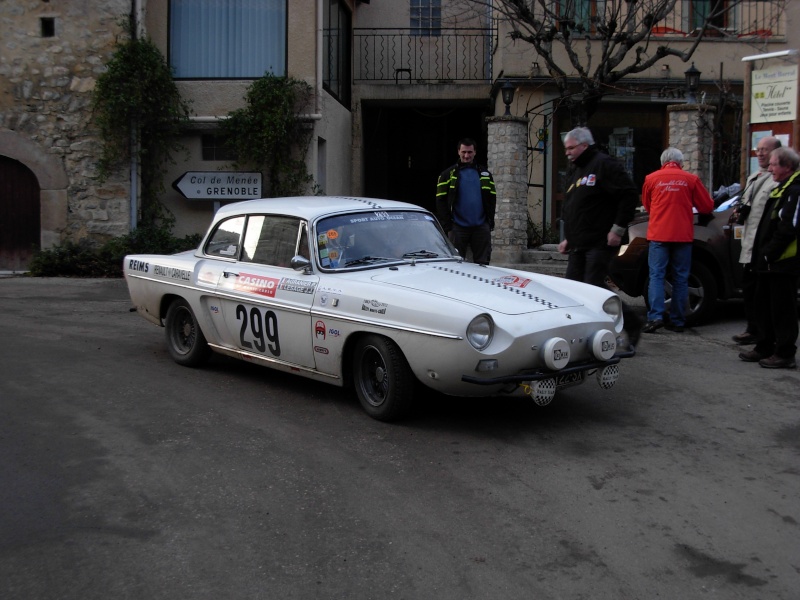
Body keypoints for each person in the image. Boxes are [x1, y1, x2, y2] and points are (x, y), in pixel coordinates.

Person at [557, 127, 642, 346]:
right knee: (573, 289)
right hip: (579, 243)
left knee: (593, 288)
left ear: (585, 145)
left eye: (571, 148)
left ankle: (630, 324)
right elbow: (575, 207)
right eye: (566, 148)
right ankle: (582, 336)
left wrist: (618, 229)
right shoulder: (576, 171)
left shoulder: (604, 164)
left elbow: (629, 194)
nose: (567, 152)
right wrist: (569, 238)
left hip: (600, 241)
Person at [738, 146, 800, 369]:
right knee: (763, 305)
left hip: (783, 263)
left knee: (783, 310)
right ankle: (764, 346)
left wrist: (769, 253)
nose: (769, 168)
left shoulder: (795, 190)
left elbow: (788, 227)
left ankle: (784, 353)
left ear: (787, 167)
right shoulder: (782, 188)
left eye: (774, 164)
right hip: (768, 262)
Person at [640, 147, 714, 333]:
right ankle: (678, 320)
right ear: (681, 163)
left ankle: (655, 317)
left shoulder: (651, 179)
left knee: (656, 276)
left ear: (662, 162)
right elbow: (706, 206)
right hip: (682, 235)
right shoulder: (691, 180)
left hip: (659, 234)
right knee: (681, 277)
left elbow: (648, 206)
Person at [730, 136, 782, 345]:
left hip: (762, 245)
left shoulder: (776, 180)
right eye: (758, 149)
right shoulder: (754, 176)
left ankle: (763, 334)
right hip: (749, 244)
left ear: (776, 154)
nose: (759, 153)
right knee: (750, 291)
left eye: (765, 150)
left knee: (762, 295)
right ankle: (752, 329)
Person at [436, 138, 496, 265]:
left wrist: (489, 222)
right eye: (463, 152)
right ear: (458, 152)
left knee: (483, 264)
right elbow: (440, 201)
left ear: (475, 152)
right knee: (456, 265)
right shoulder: (447, 175)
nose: (466, 155)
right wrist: (448, 226)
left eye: (469, 152)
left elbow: (492, 199)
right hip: (457, 228)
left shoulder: (485, 174)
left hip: (480, 227)